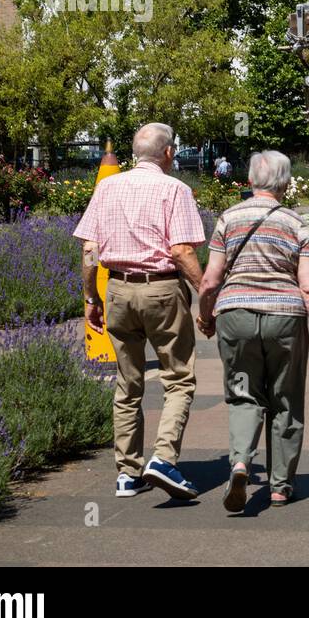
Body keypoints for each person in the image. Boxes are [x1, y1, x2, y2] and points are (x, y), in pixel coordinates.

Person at [75, 123, 209, 500]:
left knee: (128, 382)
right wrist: (207, 296)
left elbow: (89, 249)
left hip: (117, 289)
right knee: (179, 378)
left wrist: (91, 298)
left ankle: (127, 472)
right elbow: (182, 252)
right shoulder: (175, 189)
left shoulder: (107, 186)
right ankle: (164, 459)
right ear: (168, 153)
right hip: (162, 290)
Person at [197, 150, 309, 512]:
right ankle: (280, 488)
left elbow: (210, 280)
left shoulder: (228, 218)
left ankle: (240, 463)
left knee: (243, 394)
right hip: (285, 317)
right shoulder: (296, 224)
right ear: (284, 183)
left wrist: (206, 316)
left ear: (251, 180)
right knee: (285, 400)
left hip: (235, 316)